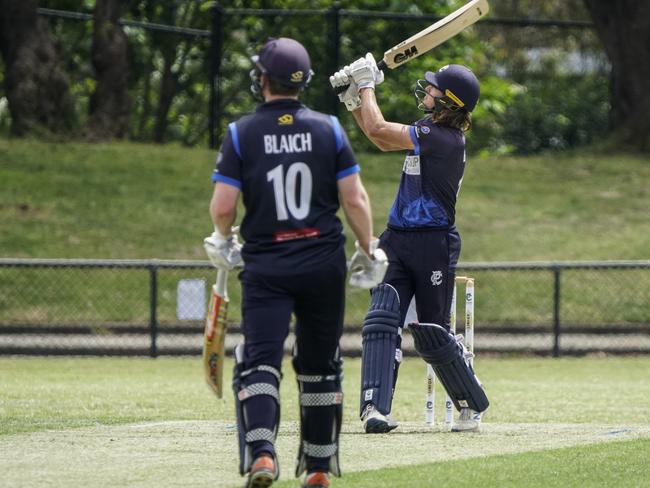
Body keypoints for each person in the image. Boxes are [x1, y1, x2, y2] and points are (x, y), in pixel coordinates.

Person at [203, 38, 387, 488]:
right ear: (302, 82)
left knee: (261, 360)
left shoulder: (240, 133)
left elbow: (224, 205)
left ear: (263, 79)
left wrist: (223, 238)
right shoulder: (329, 129)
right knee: (321, 363)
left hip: (267, 265)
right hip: (323, 262)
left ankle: (264, 455)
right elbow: (355, 199)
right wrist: (368, 248)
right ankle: (320, 467)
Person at [329, 55, 489, 434]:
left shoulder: (444, 139)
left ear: (448, 100)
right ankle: (375, 408)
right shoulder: (427, 128)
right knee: (382, 318)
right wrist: (353, 98)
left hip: (434, 242)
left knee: (431, 333)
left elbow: (381, 129)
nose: (427, 90)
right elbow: (378, 137)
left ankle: (470, 401)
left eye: (434, 88)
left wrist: (366, 86)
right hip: (398, 238)